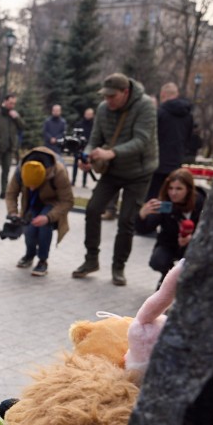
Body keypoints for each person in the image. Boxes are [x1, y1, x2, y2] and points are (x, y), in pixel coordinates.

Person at [73, 73, 158, 286]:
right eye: (106, 96)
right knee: (93, 209)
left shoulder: (145, 106)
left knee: (126, 220)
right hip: (112, 170)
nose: (108, 100)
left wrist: (112, 153)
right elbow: (94, 140)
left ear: (125, 92)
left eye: (113, 96)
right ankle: (91, 259)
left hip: (139, 173)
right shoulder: (103, 109)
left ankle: (118, 267)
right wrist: (87, 156)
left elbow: (141, 140)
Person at [5, 147, 74, 277]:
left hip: (52, 203)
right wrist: (13, 212)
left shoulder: (58, 172)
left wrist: (48, 217)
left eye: (34, 185)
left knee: (43, 226)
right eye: (28, 185)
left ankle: (43, 260)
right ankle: (29, 254)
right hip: (32, 202)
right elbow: (11, 194)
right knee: (29, 228)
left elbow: (67, 201)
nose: (31, 188)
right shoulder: (21, 170)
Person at [138, 168, 203, 285]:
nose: (173, 193)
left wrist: (192, 239)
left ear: (188, 189)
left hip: (195, 245)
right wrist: (142, 215)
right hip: (169, 243)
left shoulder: (200, 203)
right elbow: (145, 229)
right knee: (157, 261)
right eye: (170, 188)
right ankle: (167, 277)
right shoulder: (165, 204)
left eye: (179, 189)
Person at [147, 82, 193, 201]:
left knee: (152, 195)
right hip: (176, 161)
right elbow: (188, 137)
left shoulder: (160, 113)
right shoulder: (188, 116)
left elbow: (151, 136)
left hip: (157, 162)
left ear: (163, 94)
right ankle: (166, 212)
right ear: (176, 94)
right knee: (169, 195)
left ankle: (151, 213)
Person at [71, 108, 95, 187]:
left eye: (90, 114)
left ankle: (84, 183)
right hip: (78, 147)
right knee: (75, 164)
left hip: (88, 147)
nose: (88, 116)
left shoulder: (94, 126)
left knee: (86, 163)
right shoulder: (79, 124)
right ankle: (73, 181)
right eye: (87, 114)